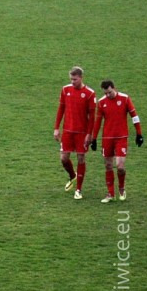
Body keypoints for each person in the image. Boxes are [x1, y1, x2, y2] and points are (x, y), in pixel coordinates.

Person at [90, 80, 143, 203]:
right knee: (108, 165)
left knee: (120, 166)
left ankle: (122, 189)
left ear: (114, 88)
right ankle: (110, 194)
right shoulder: (101, 102)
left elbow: (134, 116)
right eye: (105, 93)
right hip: (107, 138)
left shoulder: (125, 98)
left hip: (121, 138)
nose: (108, 95)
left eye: (109, 92)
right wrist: (94, 138)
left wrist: (139, 133)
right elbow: (98, 122)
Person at [53, 66, 96, 200]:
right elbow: (61, 109)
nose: (72, 82)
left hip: (82, 133)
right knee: (64, 158)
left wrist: (89, 134)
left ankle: (78, 189)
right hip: (67, 131)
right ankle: (73, 175)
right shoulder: (65, 90)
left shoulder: (89, 94)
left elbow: (92, 117)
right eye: (71, 79)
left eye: (75, 79)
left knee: (81, 158)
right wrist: (56, 128)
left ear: (81, 78)